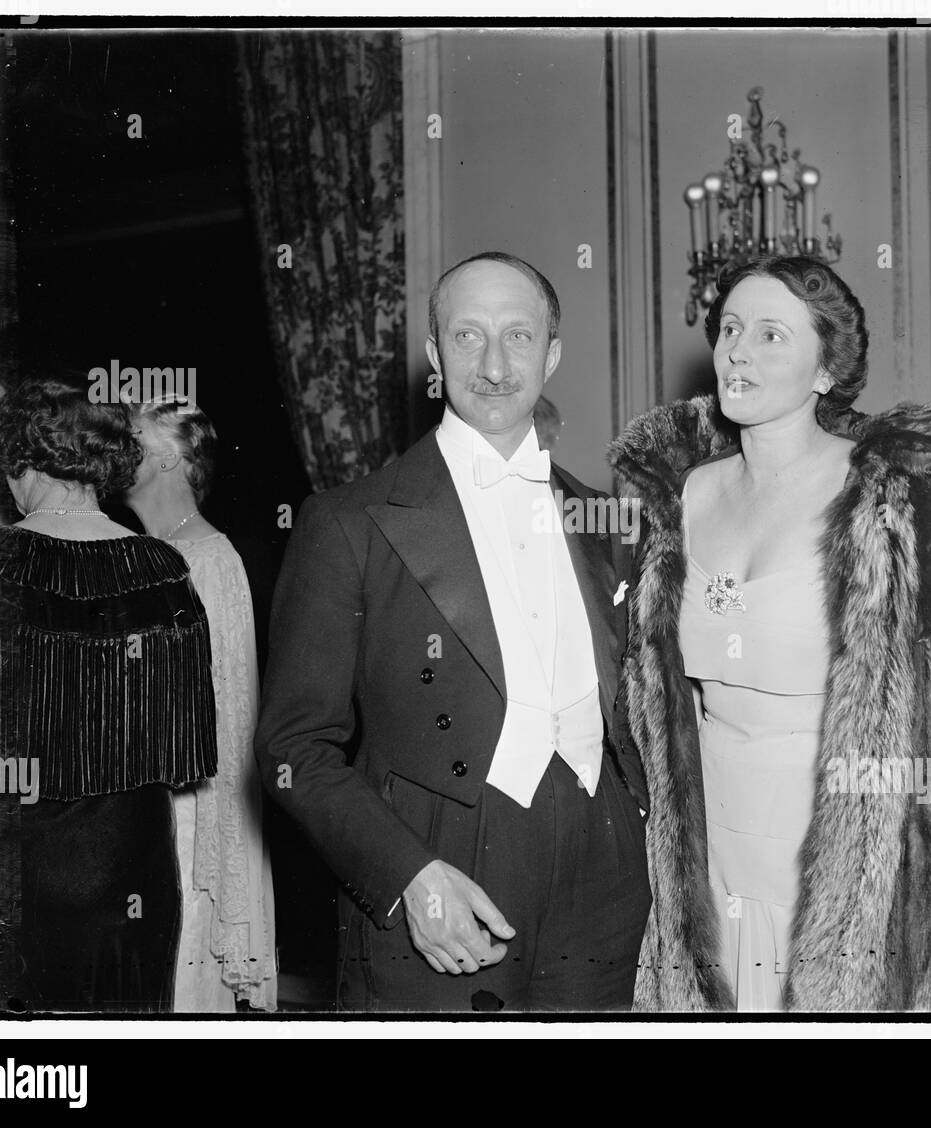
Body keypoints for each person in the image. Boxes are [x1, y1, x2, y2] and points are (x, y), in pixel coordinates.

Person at [608, 255, 931, 1012]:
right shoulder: (680, 499)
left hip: (844, 861)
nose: (738, 350)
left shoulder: (899, 509)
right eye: (730, 329)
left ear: (826, 370)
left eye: (771, 335)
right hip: (708, 858)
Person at [256, 251, 651, 1011]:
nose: (496, 365)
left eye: (519, 337)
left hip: (605, 866)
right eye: (468, 337)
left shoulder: (614, 522)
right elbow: (291, 749)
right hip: (445, 859)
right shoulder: (348, 523)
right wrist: (406, 875)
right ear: (435, 356)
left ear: (552, 353)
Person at [0, 378, 218, 1012]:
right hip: (133, 860)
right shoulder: (164, 567)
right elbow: (188, 749)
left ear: (19, 462)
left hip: (17, 857)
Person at [125, 395, 278, 1012]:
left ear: (169, 459)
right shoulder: (154, 553)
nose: (114, 450)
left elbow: (224, 719)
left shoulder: (207, 560)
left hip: (188, 821)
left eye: (131, 439)